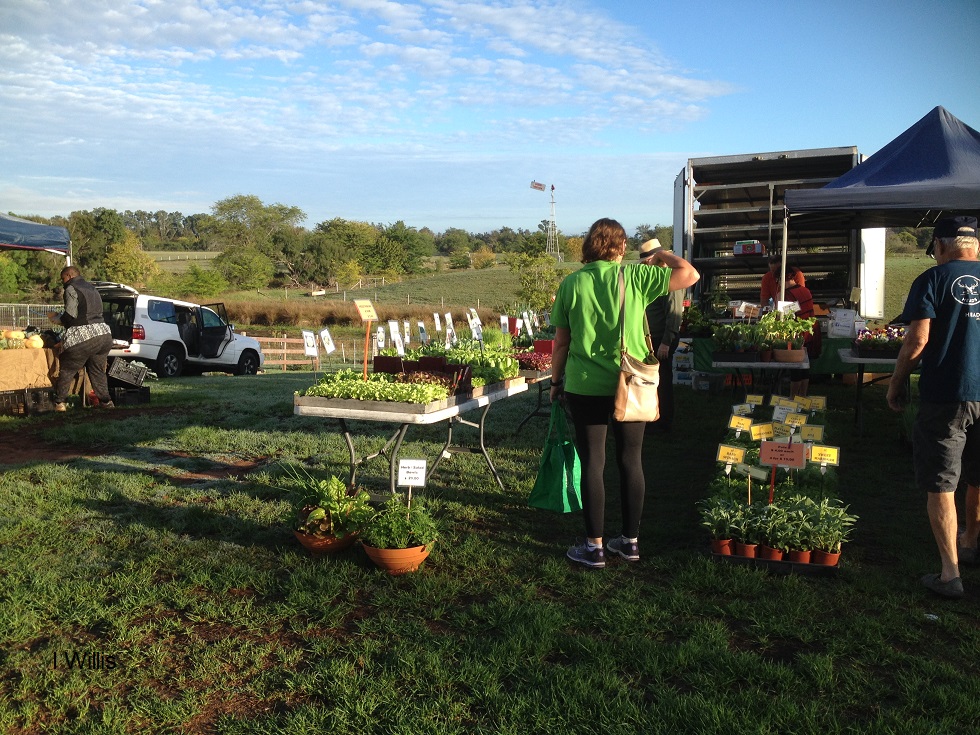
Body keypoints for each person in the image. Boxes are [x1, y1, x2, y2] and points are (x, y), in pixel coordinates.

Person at [549, 219, 699, 568]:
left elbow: (561, 343)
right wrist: (659, 252)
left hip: (584, 386)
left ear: (588, 246)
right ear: (620, 249)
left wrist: (556, 383)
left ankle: (594, 547)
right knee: (632, 460)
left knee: (593, 464)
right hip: (630, 383)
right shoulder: (634, 276)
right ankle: (630, 542)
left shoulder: (571, 283)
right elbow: (688, 274)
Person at [886, 215, 980, 599]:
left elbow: (917, 340)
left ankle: (949, 573)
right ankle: (972, 540)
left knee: (942, 482)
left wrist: (895, 384)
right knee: (978, 473)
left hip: (947, 394)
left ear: (940, 245)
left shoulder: (932, 279)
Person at [48, 265, 115, 411]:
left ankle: (60, 403)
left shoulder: (71, 288)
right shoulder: (92, 288)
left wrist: (58, 319)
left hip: (84, 335)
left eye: (63, 278)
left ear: (69, 276)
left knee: (67, 367)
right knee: (97, 371)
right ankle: (106, 402)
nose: (62, 282)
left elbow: (71, 315)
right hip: (104, 334)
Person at [638, 238, 685, 433]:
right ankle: (654, 418)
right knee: (653, 381)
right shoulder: (654, 278)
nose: (645, 265)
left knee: (663, 381)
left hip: (661, 339)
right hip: (651, 339)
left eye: (647, 261)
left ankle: (664, 422)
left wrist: (666, 342)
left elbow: (674, 314)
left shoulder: (669, 278)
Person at [776, 266, 821, 398]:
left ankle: (793, 397)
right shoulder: (805, 290)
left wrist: (778, 301)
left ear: (781, 278)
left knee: (796, 366)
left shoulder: (785, 295)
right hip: (810, 329)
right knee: (805, 365)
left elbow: (782, 317)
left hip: (797, 332)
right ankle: (803, 396)